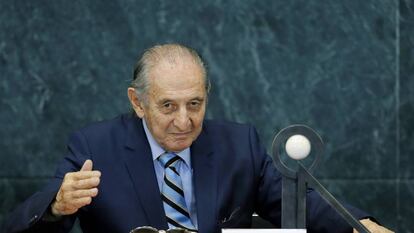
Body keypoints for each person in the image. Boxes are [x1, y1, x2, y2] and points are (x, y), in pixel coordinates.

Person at [3, 44, 392, 233]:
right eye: (168, 106)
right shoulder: (94, 147)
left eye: (195, 103)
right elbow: (25, 225)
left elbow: (298, 202)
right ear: (137, 102)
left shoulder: (240, 144)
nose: (184, 122)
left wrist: (364, 227)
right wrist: (57, 205)